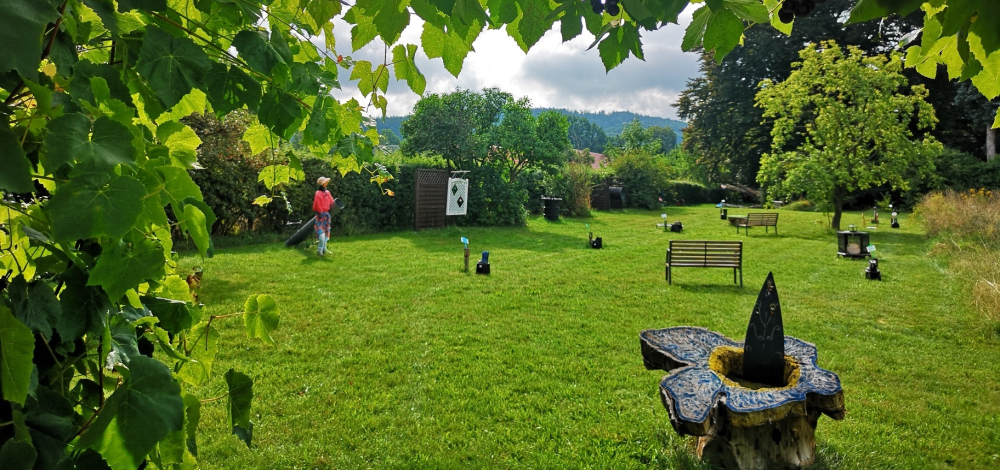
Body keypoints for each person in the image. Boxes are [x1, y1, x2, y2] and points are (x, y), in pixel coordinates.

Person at [313, 176, 334, 255]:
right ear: (323, 184)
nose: (327, 183)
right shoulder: (318, 193)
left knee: (326, 233)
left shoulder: (327, 192)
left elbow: (331, 201)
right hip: (320, 215)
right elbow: (317, 204)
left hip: (326, 215)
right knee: (321, 234)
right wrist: (321, 212)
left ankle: (324, 249)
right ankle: (320, 250)